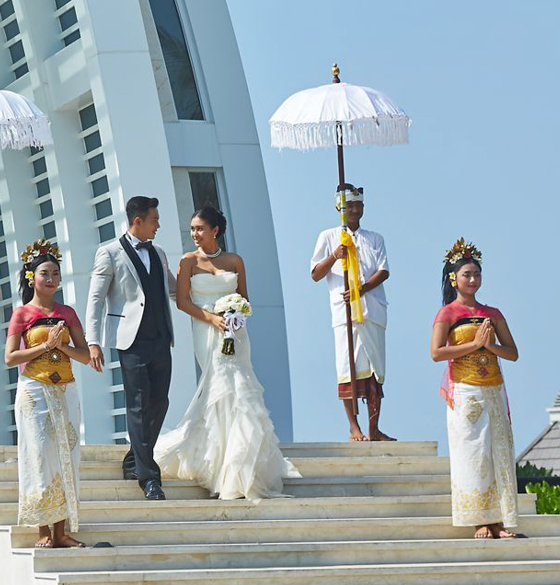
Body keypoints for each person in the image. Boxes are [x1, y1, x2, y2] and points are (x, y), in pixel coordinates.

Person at [155, 207, 300, 499]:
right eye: (192, 229)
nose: (194, 234)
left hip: (236, 331)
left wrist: (236, 312)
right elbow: (183, 302)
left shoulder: (235, 260)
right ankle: (218, 462)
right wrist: (212, 319)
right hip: (206, 330)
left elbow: (245, 298)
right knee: (219, 386)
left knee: (241, 386)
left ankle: (239, 464)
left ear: (215, 231)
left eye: (199, 228)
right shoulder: (188, 261)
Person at [85, 195, 177, 500]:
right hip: (131, 341)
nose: (159, 225)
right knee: (138, 404)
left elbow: (177, 290)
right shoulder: (109, 252)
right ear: (138, 221)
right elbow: (96, 298)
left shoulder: (160, 253)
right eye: (155, 219)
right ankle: (148, 478)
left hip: (162, 339)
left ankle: (133, 459)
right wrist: (93, 341)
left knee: (160, 402)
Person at [432, 238, 523, 539]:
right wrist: (474, 344)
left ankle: (499, 519)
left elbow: (512, 352)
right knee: (472, 453)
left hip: (493, 388)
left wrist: (491, 346)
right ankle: (479, 520)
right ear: (453, 279)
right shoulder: (447, 314)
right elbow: (436, 353)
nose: (472, 280)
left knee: (498, 452)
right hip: (465, 389)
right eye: (467, 275)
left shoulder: (492, 313)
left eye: (477, 275)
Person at [5, 240, 92, 548]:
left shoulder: (66, 313)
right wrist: (44, 346)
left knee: (66, 456)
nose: (51, 279)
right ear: (32, 278)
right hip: (34, 390)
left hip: (65, 388)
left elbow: (83, 355)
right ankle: (43, 530)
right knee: (39, 456)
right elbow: (9, 358)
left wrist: (62, 346)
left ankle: (62, 530)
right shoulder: (22, 314)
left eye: (56, 273)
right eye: (45, 273)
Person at [309, 184, 393, 441]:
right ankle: (353, 426)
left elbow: (384, 270)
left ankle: (374, 428)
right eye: (349, 206)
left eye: (358, 205)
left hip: (372, 311)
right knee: (348, 368)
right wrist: (335, 256)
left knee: (375, 369)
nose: (354, 210)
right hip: (344, 313)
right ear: (340, 208)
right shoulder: (328, 236)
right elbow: (315, 274)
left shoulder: (375, 238)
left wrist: (362, 288)